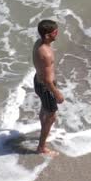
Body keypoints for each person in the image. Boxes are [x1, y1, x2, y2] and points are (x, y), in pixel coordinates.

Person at [33, 19, 64, 155]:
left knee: (45, 110)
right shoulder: (45, 53)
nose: (57, 34)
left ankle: (43, 130)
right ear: (47, 36)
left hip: (38, 82)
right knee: (51, 116)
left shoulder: (39, 43)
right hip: (46, 87)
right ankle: (41, 147)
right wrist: (56, 93)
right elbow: (47, 79)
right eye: (55, 32)